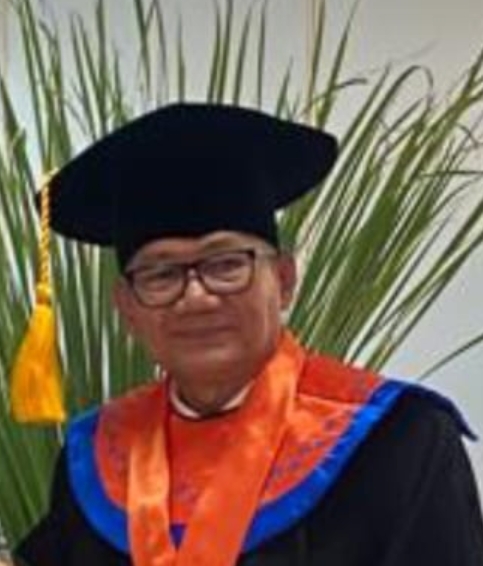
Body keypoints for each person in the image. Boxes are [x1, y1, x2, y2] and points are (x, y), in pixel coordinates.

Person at [13, 103, 483, 566]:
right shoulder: (94, 458)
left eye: (225, 264)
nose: (196, 297)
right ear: (128, 308)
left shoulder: (399, 441)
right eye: (160, 274)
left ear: (284, 280)